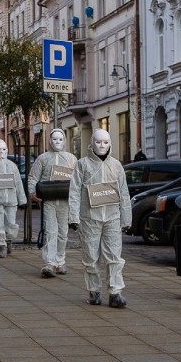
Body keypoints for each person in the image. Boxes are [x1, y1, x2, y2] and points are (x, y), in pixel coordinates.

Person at [68, 129, 131, 308]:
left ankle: (115, 292)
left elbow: (124, 193)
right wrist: (74, 217)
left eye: (105, 142)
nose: (101, 145)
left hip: (112, 217)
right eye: (98, 142)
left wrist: (126, 219)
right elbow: (74, 192)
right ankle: (94, 291)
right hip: (89, 218)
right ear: (91, 143)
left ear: (110, 143)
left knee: (114, 256)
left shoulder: (116, 166)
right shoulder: (82, 165)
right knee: (90, 256)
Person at [27, 128, 77, 278]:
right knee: (50, 230)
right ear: (50, 141)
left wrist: (76, 197)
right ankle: (49, 263)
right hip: (48, 200)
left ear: (64, 141)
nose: (57, 142)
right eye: (55, 139)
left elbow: (78, 180)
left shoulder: (71, 159)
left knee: (63, 232)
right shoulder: (43, 158)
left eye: (60, 139)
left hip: (64, 200)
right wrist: (33, 193)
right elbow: (33, 177)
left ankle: (60, 261)